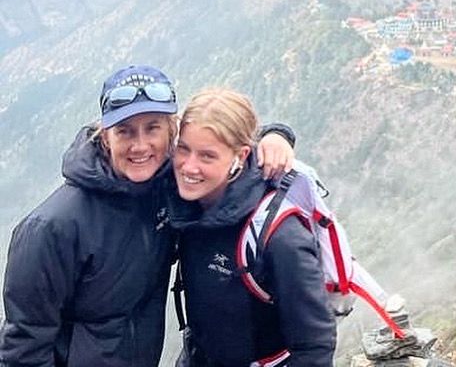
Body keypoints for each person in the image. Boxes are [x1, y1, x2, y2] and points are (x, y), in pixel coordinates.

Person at [0, 65, 295, 367]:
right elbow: (24, 348)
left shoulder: (169, 186)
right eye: (124, 131)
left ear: (171, 132)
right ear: (105, 136)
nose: (140, 145)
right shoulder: (52, 228)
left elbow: (223, 147)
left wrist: (275, 137)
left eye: (152, 128)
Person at [169, 87, 336, 367]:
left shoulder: (278, 236)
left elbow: (315, 342)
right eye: (183, 149)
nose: (189, 166)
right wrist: (277, 133)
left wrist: (278, 136)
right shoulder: (186, 202)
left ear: (241, 155)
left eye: (207, 156)